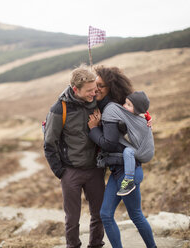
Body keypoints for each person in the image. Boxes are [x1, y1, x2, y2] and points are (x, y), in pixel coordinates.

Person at [88, 66, 157, 248]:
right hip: (118, 172)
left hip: (129, 172)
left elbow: (109, 143)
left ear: (111, 87)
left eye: (101, 85)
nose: (97, 89)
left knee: (135, 215)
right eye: (95, 85)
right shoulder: (117, 108)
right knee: (106, 214)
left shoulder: (112, 109)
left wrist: (93, 129)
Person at [43, 64, 105, 248]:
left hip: (95, 170)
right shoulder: (59, 109)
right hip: (70, 172)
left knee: (99, 214)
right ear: (75, 89)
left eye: (95, 89)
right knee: (72, 218)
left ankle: (96, 245)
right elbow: (49, 143)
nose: (93, 94)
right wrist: (60, 171)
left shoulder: (97, 102)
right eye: (89, 91)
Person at [115, 91, 154, 196]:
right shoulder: (134, 116)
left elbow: (144, 117)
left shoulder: (140, 120)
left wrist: (148, 118)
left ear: (137, 110)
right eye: (125, 103)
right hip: (140, 149)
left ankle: (128, 180)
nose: (124, 106)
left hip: (145, 152)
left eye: (128, 105)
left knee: (128, 151)